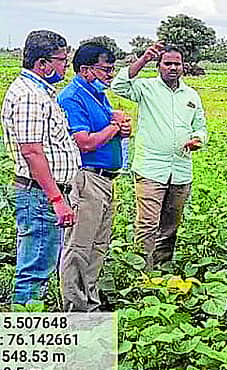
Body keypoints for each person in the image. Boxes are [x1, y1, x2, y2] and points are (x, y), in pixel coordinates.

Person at [111, 42, 207, 270]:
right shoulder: (145, 88)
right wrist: (142, 59)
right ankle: (141, 271)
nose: (173, 68)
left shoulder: (191, 95)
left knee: (171, 225)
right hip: (151, 168)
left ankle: (162, 267)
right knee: (147, 223)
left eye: (177, 64)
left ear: (183, 66)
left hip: (181, 170)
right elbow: (119, 85)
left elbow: (200, 126)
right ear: (158, 66)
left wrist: (198, 140)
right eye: (168, 63)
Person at [1, 30, 80, 305]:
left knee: (39, 264)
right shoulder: (30, 97)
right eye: (61, 59)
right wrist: (56, 198)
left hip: (42, 193)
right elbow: (32, 152)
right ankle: (25, 336)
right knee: (34, 270)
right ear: (42, 64)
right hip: (40, 194)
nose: (65, 65)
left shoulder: (41, 92)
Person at [57, 42, 132, 311]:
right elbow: (85, 142)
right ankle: (75, 309)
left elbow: (107, 132)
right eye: (106, 69)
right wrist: (114, 125)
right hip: (87, 178)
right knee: (79, 246)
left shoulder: (99, 95)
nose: (110, 75)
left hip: (106, 179)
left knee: (98, 245)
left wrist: (121, 129)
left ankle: (90, 303)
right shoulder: (72, 97)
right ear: (86, 70)